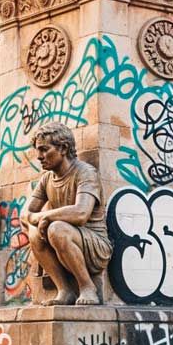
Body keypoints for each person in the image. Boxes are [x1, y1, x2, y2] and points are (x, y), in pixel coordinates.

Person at [21, 123, 110, 306]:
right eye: (38, 150)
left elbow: (81, 213)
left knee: (57, 229)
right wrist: (38, 219)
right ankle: (64, 290)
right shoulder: (47, 179)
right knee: (34, 233)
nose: (39, 156)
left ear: (63, 148)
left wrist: (46, 217)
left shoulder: (85, 172)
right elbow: (25, 214)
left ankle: (87, 287)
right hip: (65, 240)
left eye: (44, 149)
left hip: (94, 245)